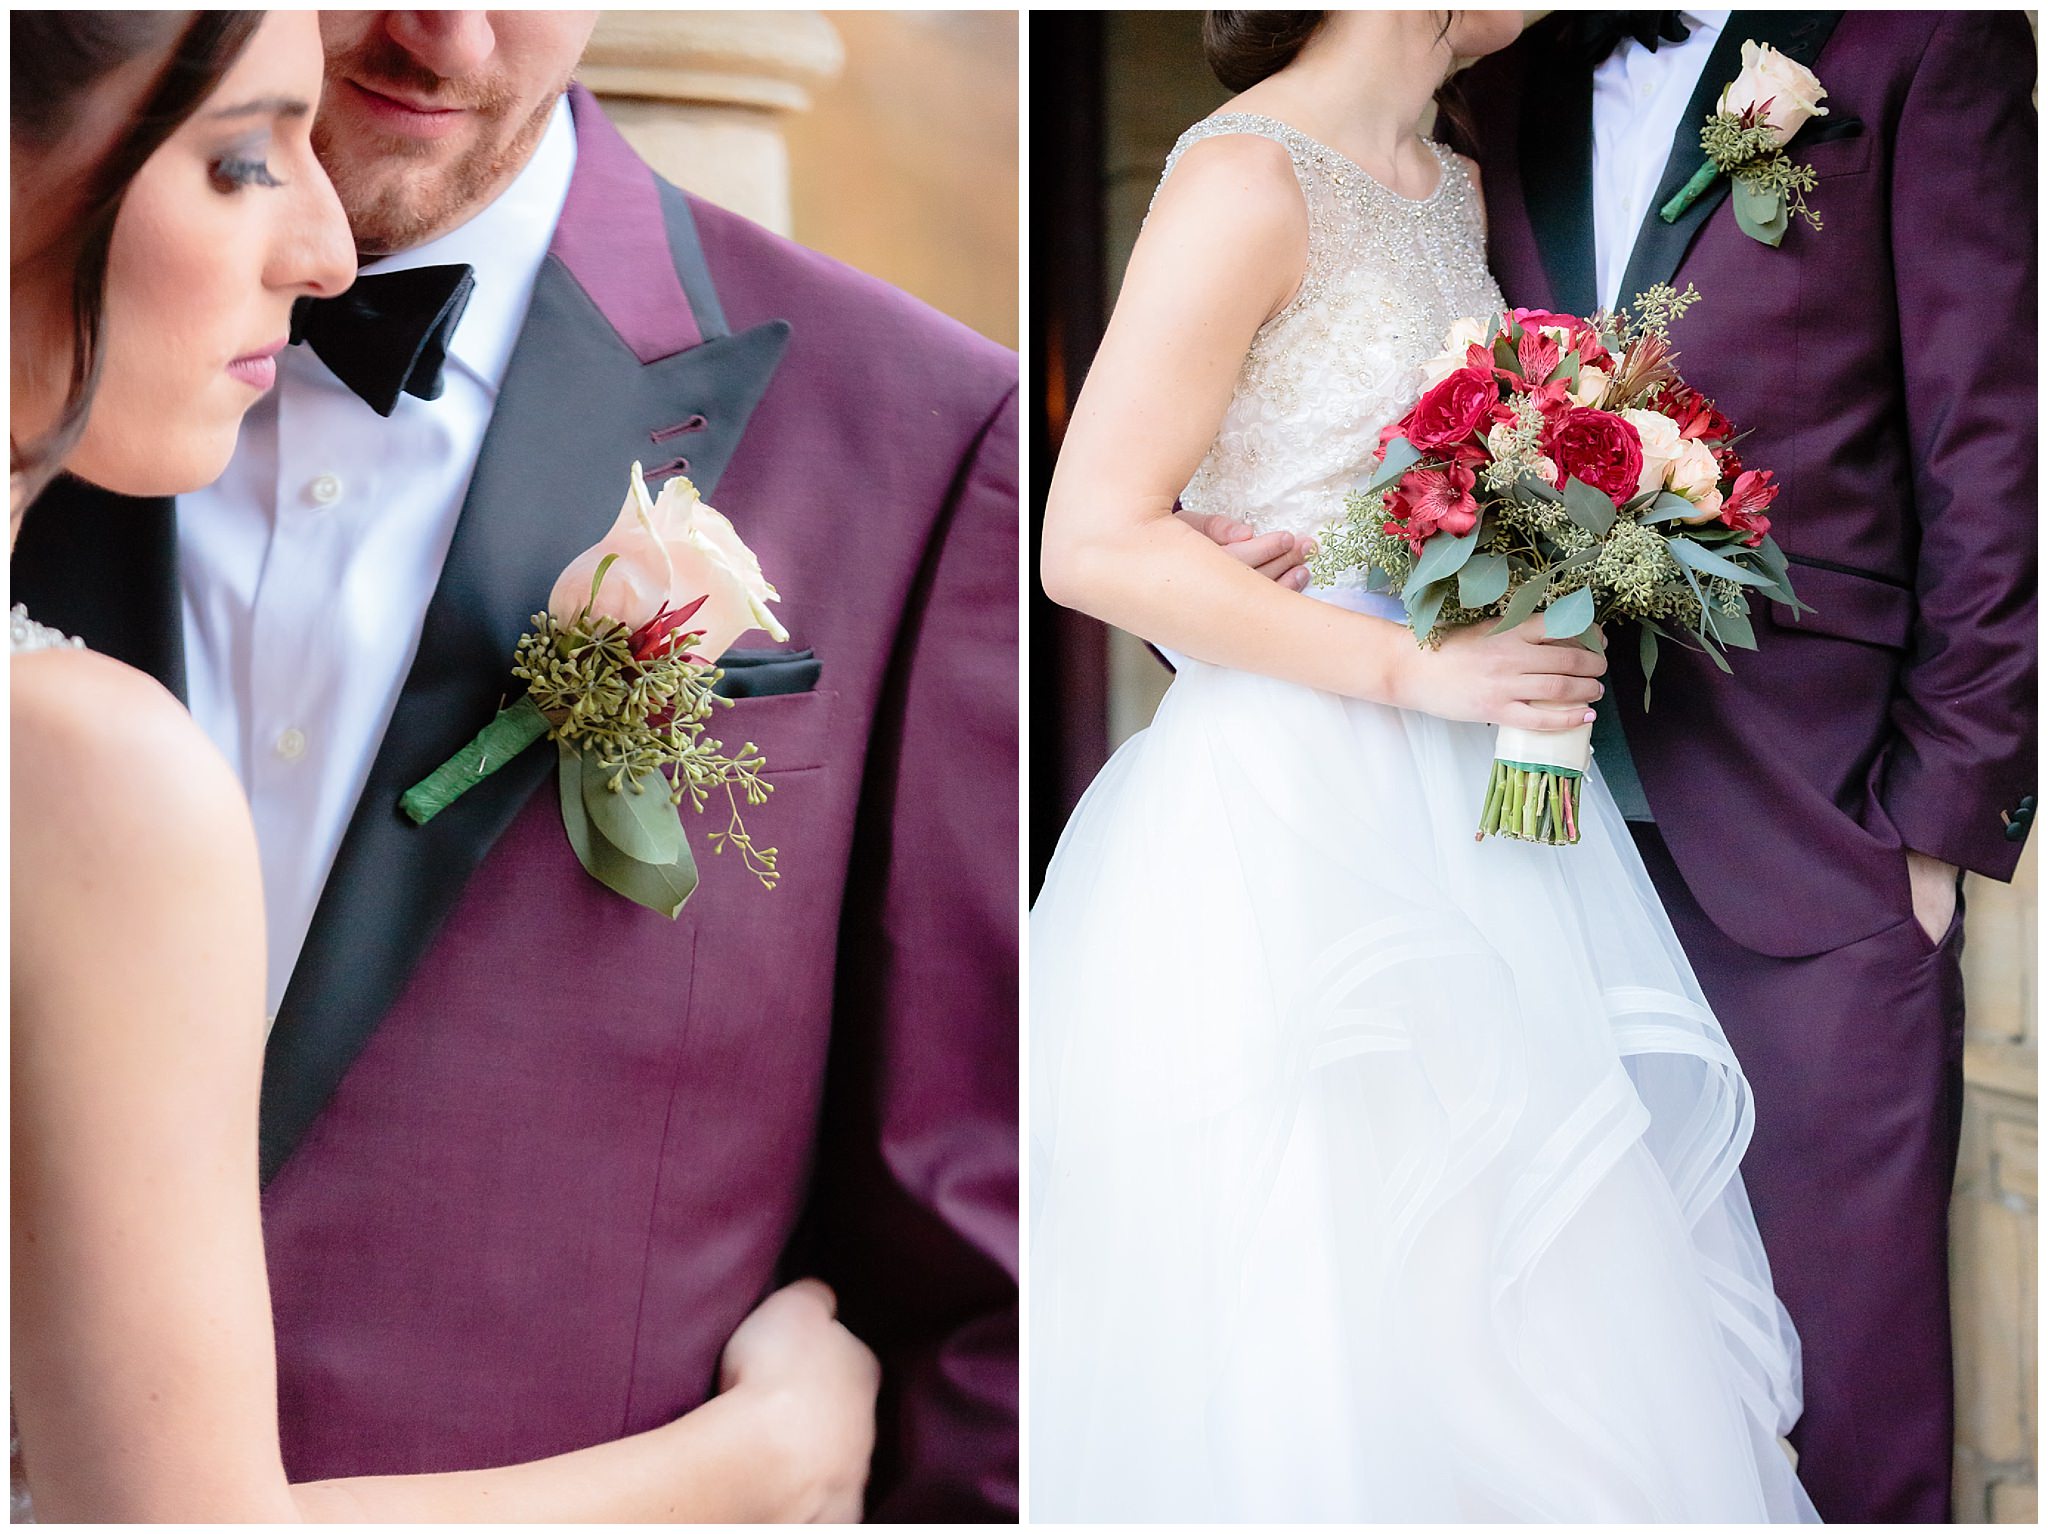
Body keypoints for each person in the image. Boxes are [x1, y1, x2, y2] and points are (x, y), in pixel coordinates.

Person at [13, 7, 1012, 1521]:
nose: (445, 26)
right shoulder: (86, 705)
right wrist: (743, 1473)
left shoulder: (921, 439)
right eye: (235, 157)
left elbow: (978, 1283)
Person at [1031, 11, 1813, 1520]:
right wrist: (1409, 664)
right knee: (1323, 1276)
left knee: (1519, 1263)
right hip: (1290, 814)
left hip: (1492, 804)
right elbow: (1089, 540)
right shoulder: (1247, 176)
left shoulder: (1454, 179)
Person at [1422, 10, 2035, 1522]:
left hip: (1813, 836)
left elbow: (1995, 444)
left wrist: (1938, 819)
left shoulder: (1912, 46)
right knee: (1572, 1384)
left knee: (1849, 1383)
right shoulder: (1500, 75)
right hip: (1518, 847)